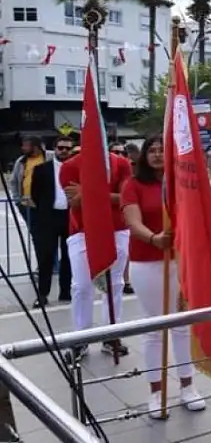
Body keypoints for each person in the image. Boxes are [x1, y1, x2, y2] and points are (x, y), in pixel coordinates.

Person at [120, 136, 207, 416]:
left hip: (179, 262)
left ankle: (187, 387)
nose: (157, 155)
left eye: (162, 150)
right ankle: (156, 393)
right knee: (155, 328)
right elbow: (133, 223)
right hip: (147, 263)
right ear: (144, 156)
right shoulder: (132, 185)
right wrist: (154, 238)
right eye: (152, 150)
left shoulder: (180, 183)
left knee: (182, 324)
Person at [59, 133, 133, 361]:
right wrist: (103, 196)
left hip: (117, 229)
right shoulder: (70, 166)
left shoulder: (121, 163)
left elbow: (125, 198)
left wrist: (90, 193)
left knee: (115, 284)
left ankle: (111, 334)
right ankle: (80, 338)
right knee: (82, 286)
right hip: (82, 231)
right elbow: (75, 201)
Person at [28, 136, 74, 306]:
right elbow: (35, 194)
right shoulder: (41, 169)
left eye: (67, 148)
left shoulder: (77, 168)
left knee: (69, 256)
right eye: (60, 147)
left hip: (70, 217)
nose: (63, 151)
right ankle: (42, 294)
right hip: (48, 217)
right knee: (46, 257)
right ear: (54, 149)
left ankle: (65, 292)